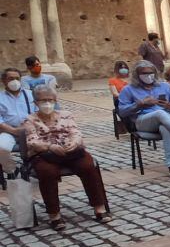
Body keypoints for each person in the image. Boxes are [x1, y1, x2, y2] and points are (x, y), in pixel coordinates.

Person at [22, 85, 110, 228]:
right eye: (42, 100)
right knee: (47, 172)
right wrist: (50, 146)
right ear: (36, 103)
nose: (47, 103)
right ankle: (54, 215)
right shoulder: (30, 119)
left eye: (50, 99)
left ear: (55, 100)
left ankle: (99, 208)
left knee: (88, 165)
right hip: (45, 154)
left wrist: (73, 143)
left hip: (69, 152)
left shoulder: (66, 115)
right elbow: (32, 141)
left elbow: (75, 132)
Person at [117, 60, 170, 180]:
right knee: (159, 112)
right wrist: (140, 104)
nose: (148, 75)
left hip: (166, 120)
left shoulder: (164, 86)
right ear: (137, 74)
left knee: (166, 128)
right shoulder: (129, 89)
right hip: (143, 121)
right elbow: (122, 111)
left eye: (151, 72)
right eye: (144, 73)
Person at [1, 67, 35, 175]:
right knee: (1, 148)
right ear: (4, 81)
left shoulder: (31, 95)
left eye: (17, 78)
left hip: (30, 130)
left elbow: (39, 113)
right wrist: (14, 130)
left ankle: (33, 167)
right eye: (10, 78)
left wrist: (28, 126)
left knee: (41, 146)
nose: (14, 81)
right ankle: (11, 169)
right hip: (8, 131)